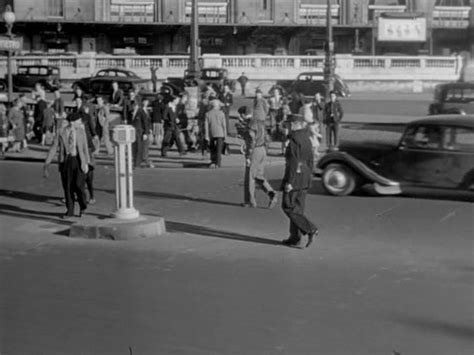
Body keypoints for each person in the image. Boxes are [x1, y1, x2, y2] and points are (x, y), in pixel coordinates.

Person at [280, 114, 318, 248]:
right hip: (305, 176)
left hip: (296, 177)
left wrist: (289, 182)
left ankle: (310, 229)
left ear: (295, 124)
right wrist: (309, 176)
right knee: (298, 209)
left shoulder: (294, 139)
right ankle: (295, 237)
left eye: (289, 124)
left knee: (288, 206)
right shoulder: (306, 138)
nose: (288, 127)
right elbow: (311, 159)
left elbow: (293, 162)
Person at [55, 112, 90, 218]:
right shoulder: (62, 132)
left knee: (79, 185)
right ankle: (70, 210)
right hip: (67, 160)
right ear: (72, 122)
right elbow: (56, 146)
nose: (80, 123)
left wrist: (86, 163)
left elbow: (85, 148)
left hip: (78, 160)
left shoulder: (81, 132)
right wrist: (48, 162)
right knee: (68, 187)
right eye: (78, 121)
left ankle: (83, 206)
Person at [242, 110, 278, 209]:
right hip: (262, 149)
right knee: (258, 175)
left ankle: (250, 201)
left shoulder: (251, 124)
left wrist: (248, 155)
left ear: (243, 115)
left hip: (255, 151)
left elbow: (251, 139)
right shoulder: (260, 122)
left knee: (250, 177)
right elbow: (267, 137)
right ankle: (271, 193)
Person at [76, 98, 98, 205]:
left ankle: (83, 194)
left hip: (81, 146)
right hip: (88, 146)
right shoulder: (87, 117)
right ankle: (91, 195)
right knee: (89, 172)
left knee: (79, 171)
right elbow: (93, 130)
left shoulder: (75, 117)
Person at [205, 99, 226, 168]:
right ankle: (218, 163)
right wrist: (225, 135)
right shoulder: (222, 113)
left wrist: (206, 135)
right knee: (219, 149)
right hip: (220, 133)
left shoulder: (208, 114)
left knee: (212, 148)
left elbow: (206, 126)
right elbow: (224, 125)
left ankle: (213, 161)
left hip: (211, 133)